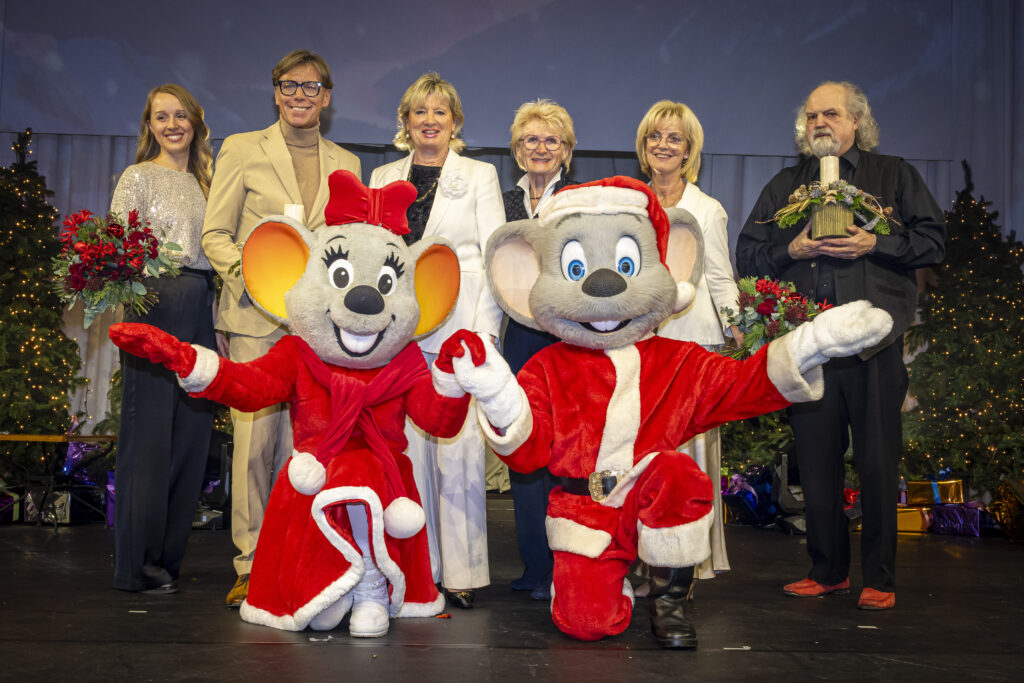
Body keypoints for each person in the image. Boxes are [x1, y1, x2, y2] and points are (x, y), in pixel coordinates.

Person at [735, 81, 945, 610]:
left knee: (877, 464)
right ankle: (827, 570)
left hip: (875, 348)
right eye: (811, 117)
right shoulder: (787, 184)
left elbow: (933, 240)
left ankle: (880, 578)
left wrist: (878, 243)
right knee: (818, 467)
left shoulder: (894, 175)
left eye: (830, 114)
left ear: (857, 122)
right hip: (809, 350)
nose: (819, 123)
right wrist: (793, 248)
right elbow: (748, 254)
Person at [202, 49, 361, 607]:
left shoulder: (347, 163)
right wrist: (251, 281)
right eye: (290, 86)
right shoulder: (242, 148)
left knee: (310, 450)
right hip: (253, 319)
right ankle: (248, 564)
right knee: (252, 447)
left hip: (317, 328)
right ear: (275, 92)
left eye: (312, 86)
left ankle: (301, 556)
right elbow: (215, 234)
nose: (300, 95)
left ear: (327, 95)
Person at [370, 72, 505, 609]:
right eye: (419, 112)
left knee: (461, 453)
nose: (429, 120)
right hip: (396, 333)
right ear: (405, 123)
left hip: (458, 330)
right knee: (405, 452)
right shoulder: (382, 174)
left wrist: (484, 333)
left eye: (440, 112)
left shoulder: (480, 175)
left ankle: (464, 572)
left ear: (456, 122)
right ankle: (415, 570)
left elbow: (493, 256)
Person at [111, 83, 217, 594]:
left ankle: (168, 560)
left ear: (195, 121)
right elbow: (117, 248)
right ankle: (137, 565)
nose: (172, 124)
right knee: (149, 439)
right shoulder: (138, 177)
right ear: (148, 125)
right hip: (155, 300)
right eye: (161, 116)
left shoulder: (209, 180)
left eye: (180, 115)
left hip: (202, 303)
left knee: (191, 441)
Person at [636, 100, 742, 589]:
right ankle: (644, 557)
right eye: (656, 135)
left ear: (689, 150)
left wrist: (740, 333)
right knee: (645, 458)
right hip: (640, 346)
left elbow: (721, 279)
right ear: (644, 145)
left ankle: (691, 562)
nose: (664, 144)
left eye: (674, 138)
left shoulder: (707, 209)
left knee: (693, 461)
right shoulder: (632, 202)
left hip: (691, 349)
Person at [499, 99, 578, 600]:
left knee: (569, 458)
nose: (540, 148)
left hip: (570, 338)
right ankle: (535, 568)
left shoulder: (581, 200)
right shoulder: (501, 202)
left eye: (551, 140)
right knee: (525, 453)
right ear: (517, 149)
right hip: (519, 340)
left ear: (566, 151)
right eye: (531, 139)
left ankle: (570, 568)